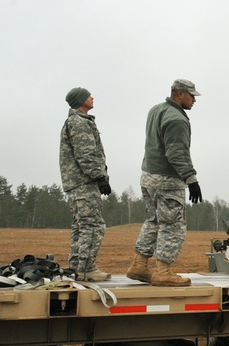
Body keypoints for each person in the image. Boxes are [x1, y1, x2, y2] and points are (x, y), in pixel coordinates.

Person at [127, 79, 204, 287]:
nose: (194, 100)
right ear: (179, 94)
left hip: (149, 178)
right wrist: (191, 179)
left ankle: (139, 265)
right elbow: (176, 153)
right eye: (191, 95)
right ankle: (163, 272)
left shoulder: (156, 110)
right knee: (172, 226)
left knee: (153, 221)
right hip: (167, 181)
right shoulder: (176, 119)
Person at [59, 87, 112, 281]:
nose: (92, 97)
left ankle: (76, 267)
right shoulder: (79, 123)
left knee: (81, 226)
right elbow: (86, 154)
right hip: (84, 183)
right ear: (81, 100)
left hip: (79, 183)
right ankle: (86, 268)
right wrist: (99, 177)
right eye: (88, 96)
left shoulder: (76, 121)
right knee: (92, 225)